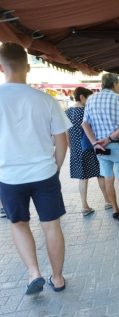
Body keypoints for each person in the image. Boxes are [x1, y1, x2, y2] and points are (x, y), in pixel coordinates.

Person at [0, 43, 70, 294]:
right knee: (51, 225)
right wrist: (56, 168)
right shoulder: (45, 100)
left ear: (1, 67)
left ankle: (33, 272)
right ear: (28, 68)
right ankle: (58, 278)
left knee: (19, 223)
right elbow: (62, 140)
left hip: (8, 175)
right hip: (44, 173)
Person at [82, 73, 119, 223]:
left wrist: (94, 142)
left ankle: (114, 209)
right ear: (114, 84)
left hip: (100, 148)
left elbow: (84, 124)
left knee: (108, 177)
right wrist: (110, 138)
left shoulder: (91, 99)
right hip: (118, 145)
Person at [65, 87, 111, 216]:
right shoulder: (87, 110)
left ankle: (84, 206)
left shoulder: (67, 112)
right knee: (100, 173)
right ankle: (108, 201)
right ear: (82, 97)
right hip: (90, 146)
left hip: (76, 149)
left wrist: (71, 147)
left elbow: (66, 132)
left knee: (82, 177)